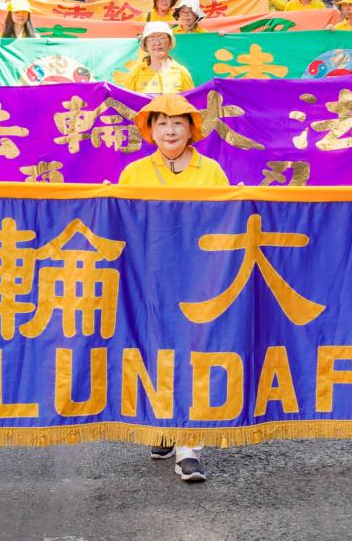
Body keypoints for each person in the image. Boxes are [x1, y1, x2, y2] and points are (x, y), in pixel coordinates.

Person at [117, 93, 228, 483]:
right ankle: (163, 425)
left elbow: (224, 224)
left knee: (194, 354)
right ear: (150, 129)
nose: (169, 130)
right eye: (161, 122)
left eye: (177, 122)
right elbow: (124, 227)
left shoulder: (212, 171)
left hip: (199, 281)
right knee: (155, 353)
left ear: (191, 128)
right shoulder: (133, 173)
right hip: (151, 280)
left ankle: (189, 447)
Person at [127, 22, 194, 94]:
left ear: (170, 42)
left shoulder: (181, 72)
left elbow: (191, 102)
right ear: (146, 44)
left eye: (162, 38)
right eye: (152, 38)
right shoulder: (136, 73)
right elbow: (126, 102)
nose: (157, 43)